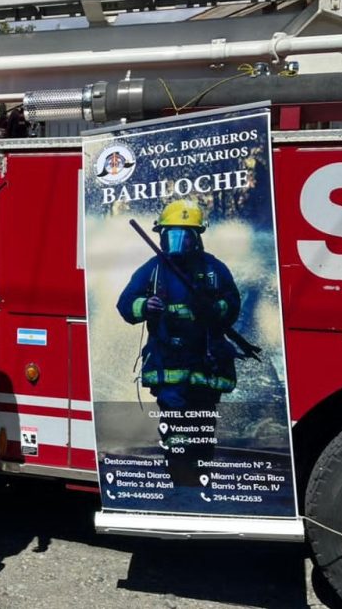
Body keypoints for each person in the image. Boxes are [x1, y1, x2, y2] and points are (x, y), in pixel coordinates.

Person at [116, 199, 241, 485]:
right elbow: (125, 304)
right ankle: (179, 475)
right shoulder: (153, 268)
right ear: (161, 235)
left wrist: (215, 308)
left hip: (206, 365)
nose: (178, 242)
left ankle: (200, 475)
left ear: (197, 237)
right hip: (168, 362)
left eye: (185, 235)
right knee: (175, 424)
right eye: (172, 234)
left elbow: (233, 304)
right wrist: (145, 306)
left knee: (203, 423)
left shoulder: (214, 269)